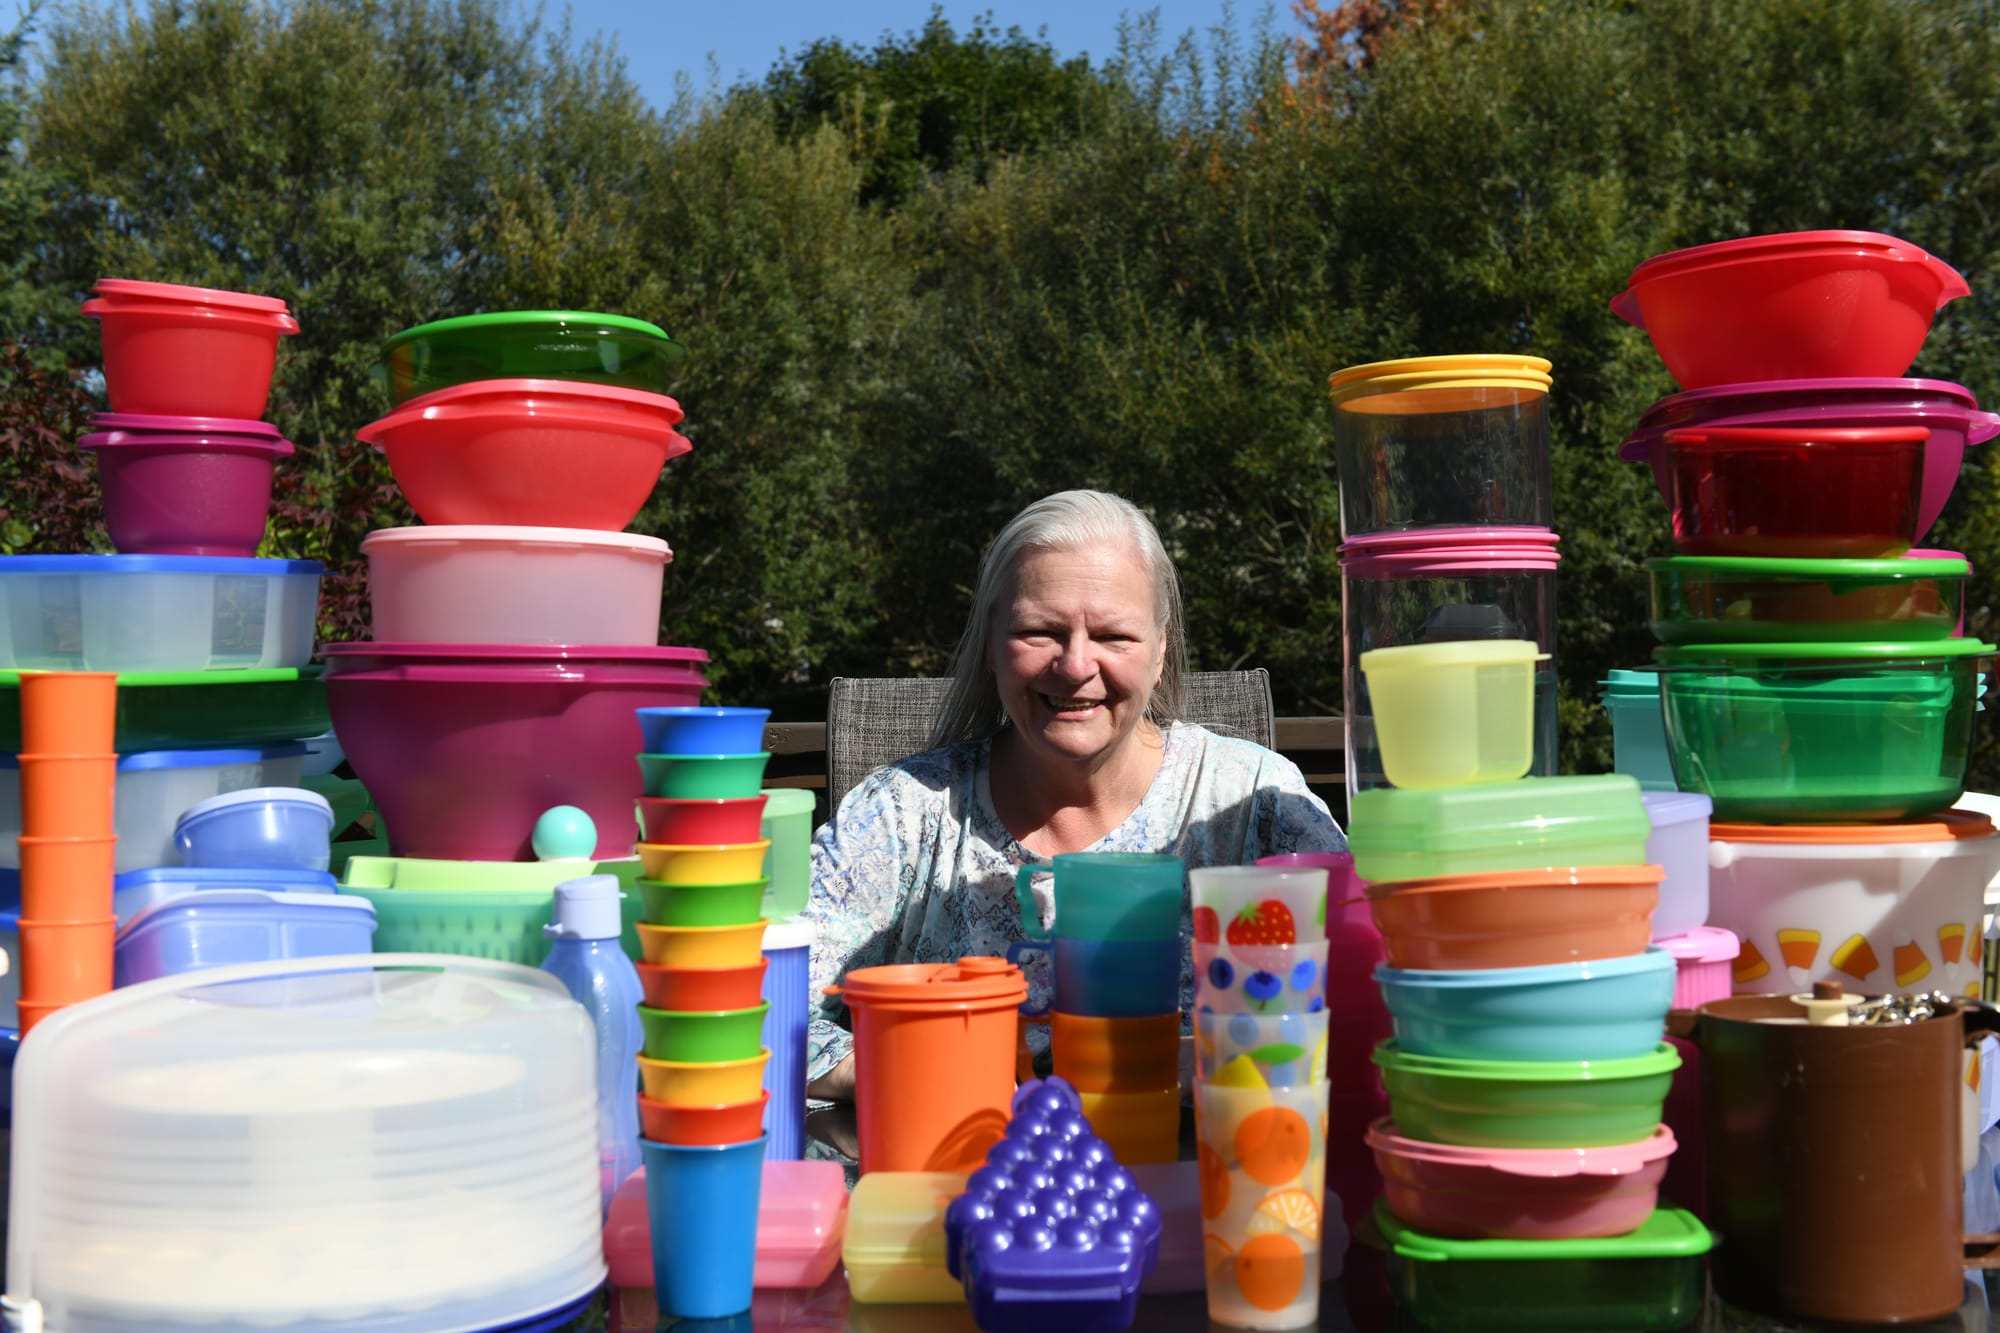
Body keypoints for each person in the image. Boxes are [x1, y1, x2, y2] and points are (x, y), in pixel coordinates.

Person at [801, 489, 1347, 1110]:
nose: (1075, 666)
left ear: (1162, 648)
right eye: (1040, 631)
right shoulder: (903, 816)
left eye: (1114, 635)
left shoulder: (1252, 803)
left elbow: (1373, 986)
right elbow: (750, 1006)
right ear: (990, 643)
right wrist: (901, 1071)